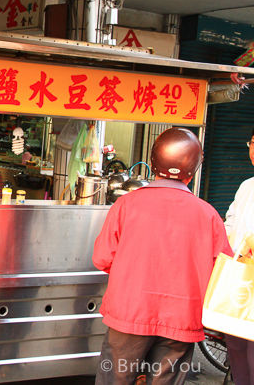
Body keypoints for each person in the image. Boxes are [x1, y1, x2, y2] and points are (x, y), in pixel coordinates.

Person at [92, 127, 233, 385]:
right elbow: (221, 273)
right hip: (180, 322)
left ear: (154, 162)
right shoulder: (209, 215)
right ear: (193, 169)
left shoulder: (126, 205)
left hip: (129, 316)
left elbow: (102, 258)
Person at [221, 127, 254, 385]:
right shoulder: (246, 186)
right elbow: (230, 225)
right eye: (253, 143)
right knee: (236, 345)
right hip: (238, 279)